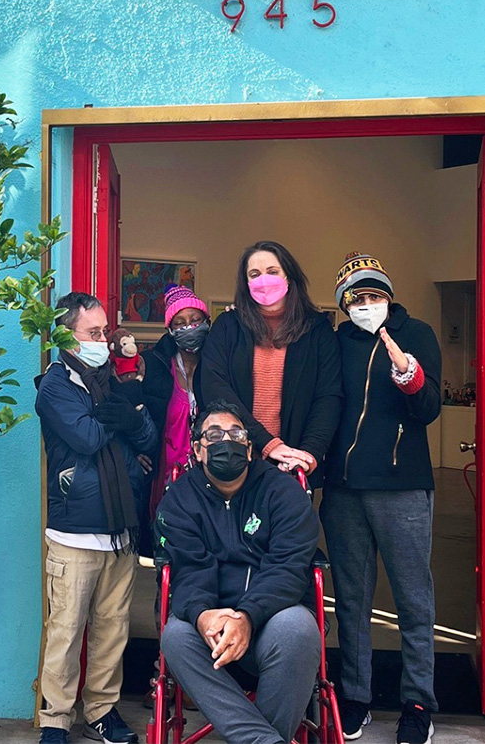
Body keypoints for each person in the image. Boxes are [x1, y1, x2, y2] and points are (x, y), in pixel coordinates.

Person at [321, 253, 442, 744]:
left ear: (388, 297)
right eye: (357, 298)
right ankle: (355, 696)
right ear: (344, 304)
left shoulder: (418, 335)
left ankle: (417, 703)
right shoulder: (337, 342)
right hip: (345, 490)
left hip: (403, 487)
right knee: (351, 600)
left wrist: (407, 373)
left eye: (374, 295)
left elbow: (430, 407)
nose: (367, 305)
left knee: (414, 600)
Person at [157, 400, 322, 744]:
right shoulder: (180, 499)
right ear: (198, 451)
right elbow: (189, 570)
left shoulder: (284, 493)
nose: (226, 441)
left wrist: (247, 617)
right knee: (175, 636)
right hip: (211, 631)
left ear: (249, 450)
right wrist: (203, 616)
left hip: (270, 622)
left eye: (236, 434)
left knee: (299, 628)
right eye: (214, 435)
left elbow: (288, 569)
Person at [35, 292, 158, 744]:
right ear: (67, 335)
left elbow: (148, 438)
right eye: (94, 332)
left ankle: (102, 711)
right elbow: (85, 437)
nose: (103, 341)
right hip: (74, 533)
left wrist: (128, 418)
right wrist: (122, 418)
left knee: (112, 629)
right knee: (65, 632)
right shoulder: (54, 386)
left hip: (120, 530)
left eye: (105, 332)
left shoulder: (116, 380)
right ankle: (56, 720)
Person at [198, 241, 341, 478]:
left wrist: (306, 455)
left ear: (289, 277)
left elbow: (328, 397)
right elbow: (215, 388)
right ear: (246, 284)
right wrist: (268, 445)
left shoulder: (317, 329)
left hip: (295, 464)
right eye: (254, 274)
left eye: (273, 272)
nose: (263, 280)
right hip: (235, 459)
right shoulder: (228, 326)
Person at [141, 283, 210, 519]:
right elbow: (136, 412)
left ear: (207, 322)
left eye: (195, 319)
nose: (189, 327)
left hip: (208, 477)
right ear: (170, 329)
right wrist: (134, 451)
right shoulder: (154, 366)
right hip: (163, 476)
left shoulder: (216, 367)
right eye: (179, 323)